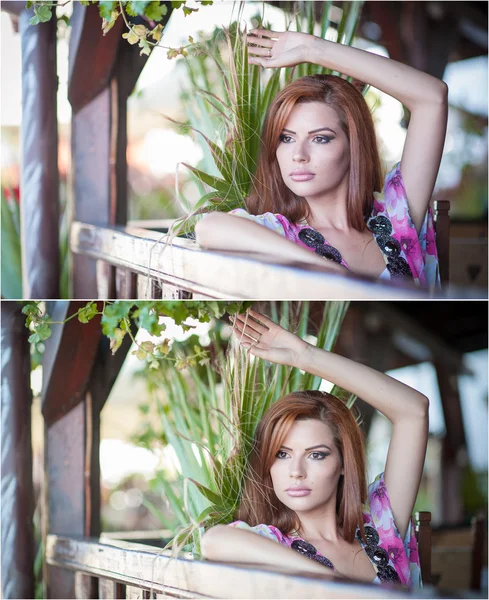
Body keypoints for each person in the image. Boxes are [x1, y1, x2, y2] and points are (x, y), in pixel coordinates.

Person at [195, 29, 448, 291]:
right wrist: (323, 269)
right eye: (286, 138)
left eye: (320, 139)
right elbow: (209, 227)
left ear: (353, 147)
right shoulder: (279, 234)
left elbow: (433, 97)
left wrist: (312, 48)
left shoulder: (397, 216)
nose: (299, 155)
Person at [201, 309, 429, 588]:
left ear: (344, 462)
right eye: (282, 454)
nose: (296, 472)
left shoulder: (381, 529)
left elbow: (414, 410)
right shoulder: (273, 545)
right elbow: (214, 541)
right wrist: (331, 583)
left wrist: (304, 356)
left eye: (316, 454)